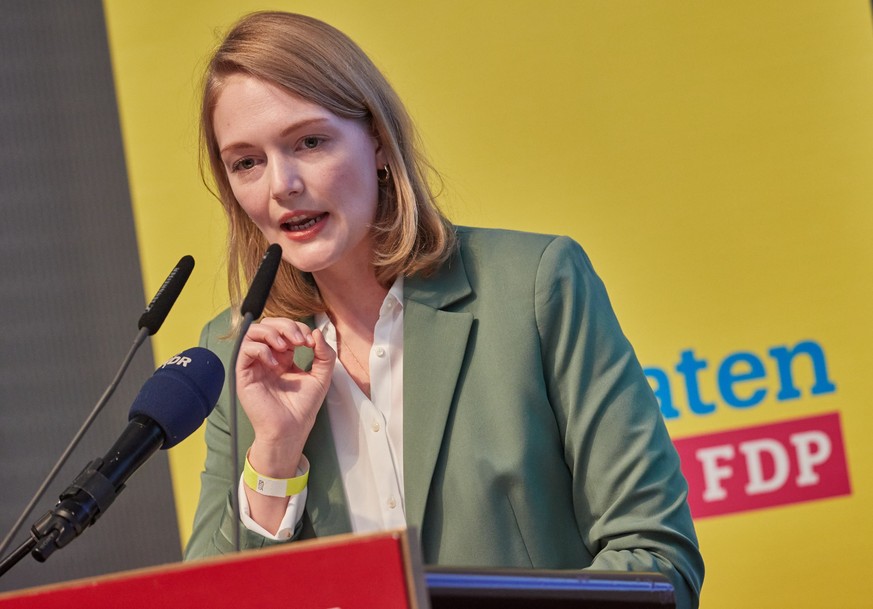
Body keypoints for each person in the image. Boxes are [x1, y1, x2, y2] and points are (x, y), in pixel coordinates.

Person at [184, 10, 704, 608]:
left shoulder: (532, 286)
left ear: (376, 137)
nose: (281, 185)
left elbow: (657, 562)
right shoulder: (236, 355)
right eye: (246, 161)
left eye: (309, 141)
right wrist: (275, 452)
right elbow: (214, 597)